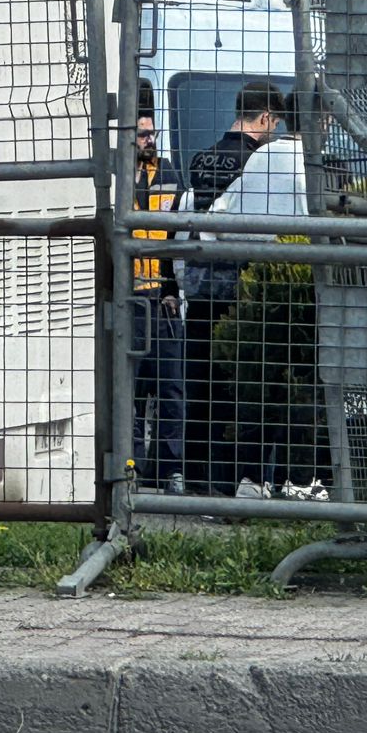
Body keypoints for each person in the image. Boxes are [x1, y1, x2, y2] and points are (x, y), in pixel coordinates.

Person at [176, 80, 284, 496]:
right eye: (273, 124)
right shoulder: (260, 162)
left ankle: (197, 480)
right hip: (241, 289)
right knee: (240, 392)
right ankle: (240, 481)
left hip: (202, 285)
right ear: (266, 118)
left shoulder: (204, 158)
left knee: (200, 387)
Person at [131, 103, 185, 491]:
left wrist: (171, 289)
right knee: (131, 387)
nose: (151, 140)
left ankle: (169, 469)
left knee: (170, 386)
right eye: (143, 134)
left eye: (152, 133)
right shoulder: (117, 177)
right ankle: (131, 465)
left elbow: (176, 238)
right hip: (128, 296)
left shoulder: (168, 174)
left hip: (162, 298)